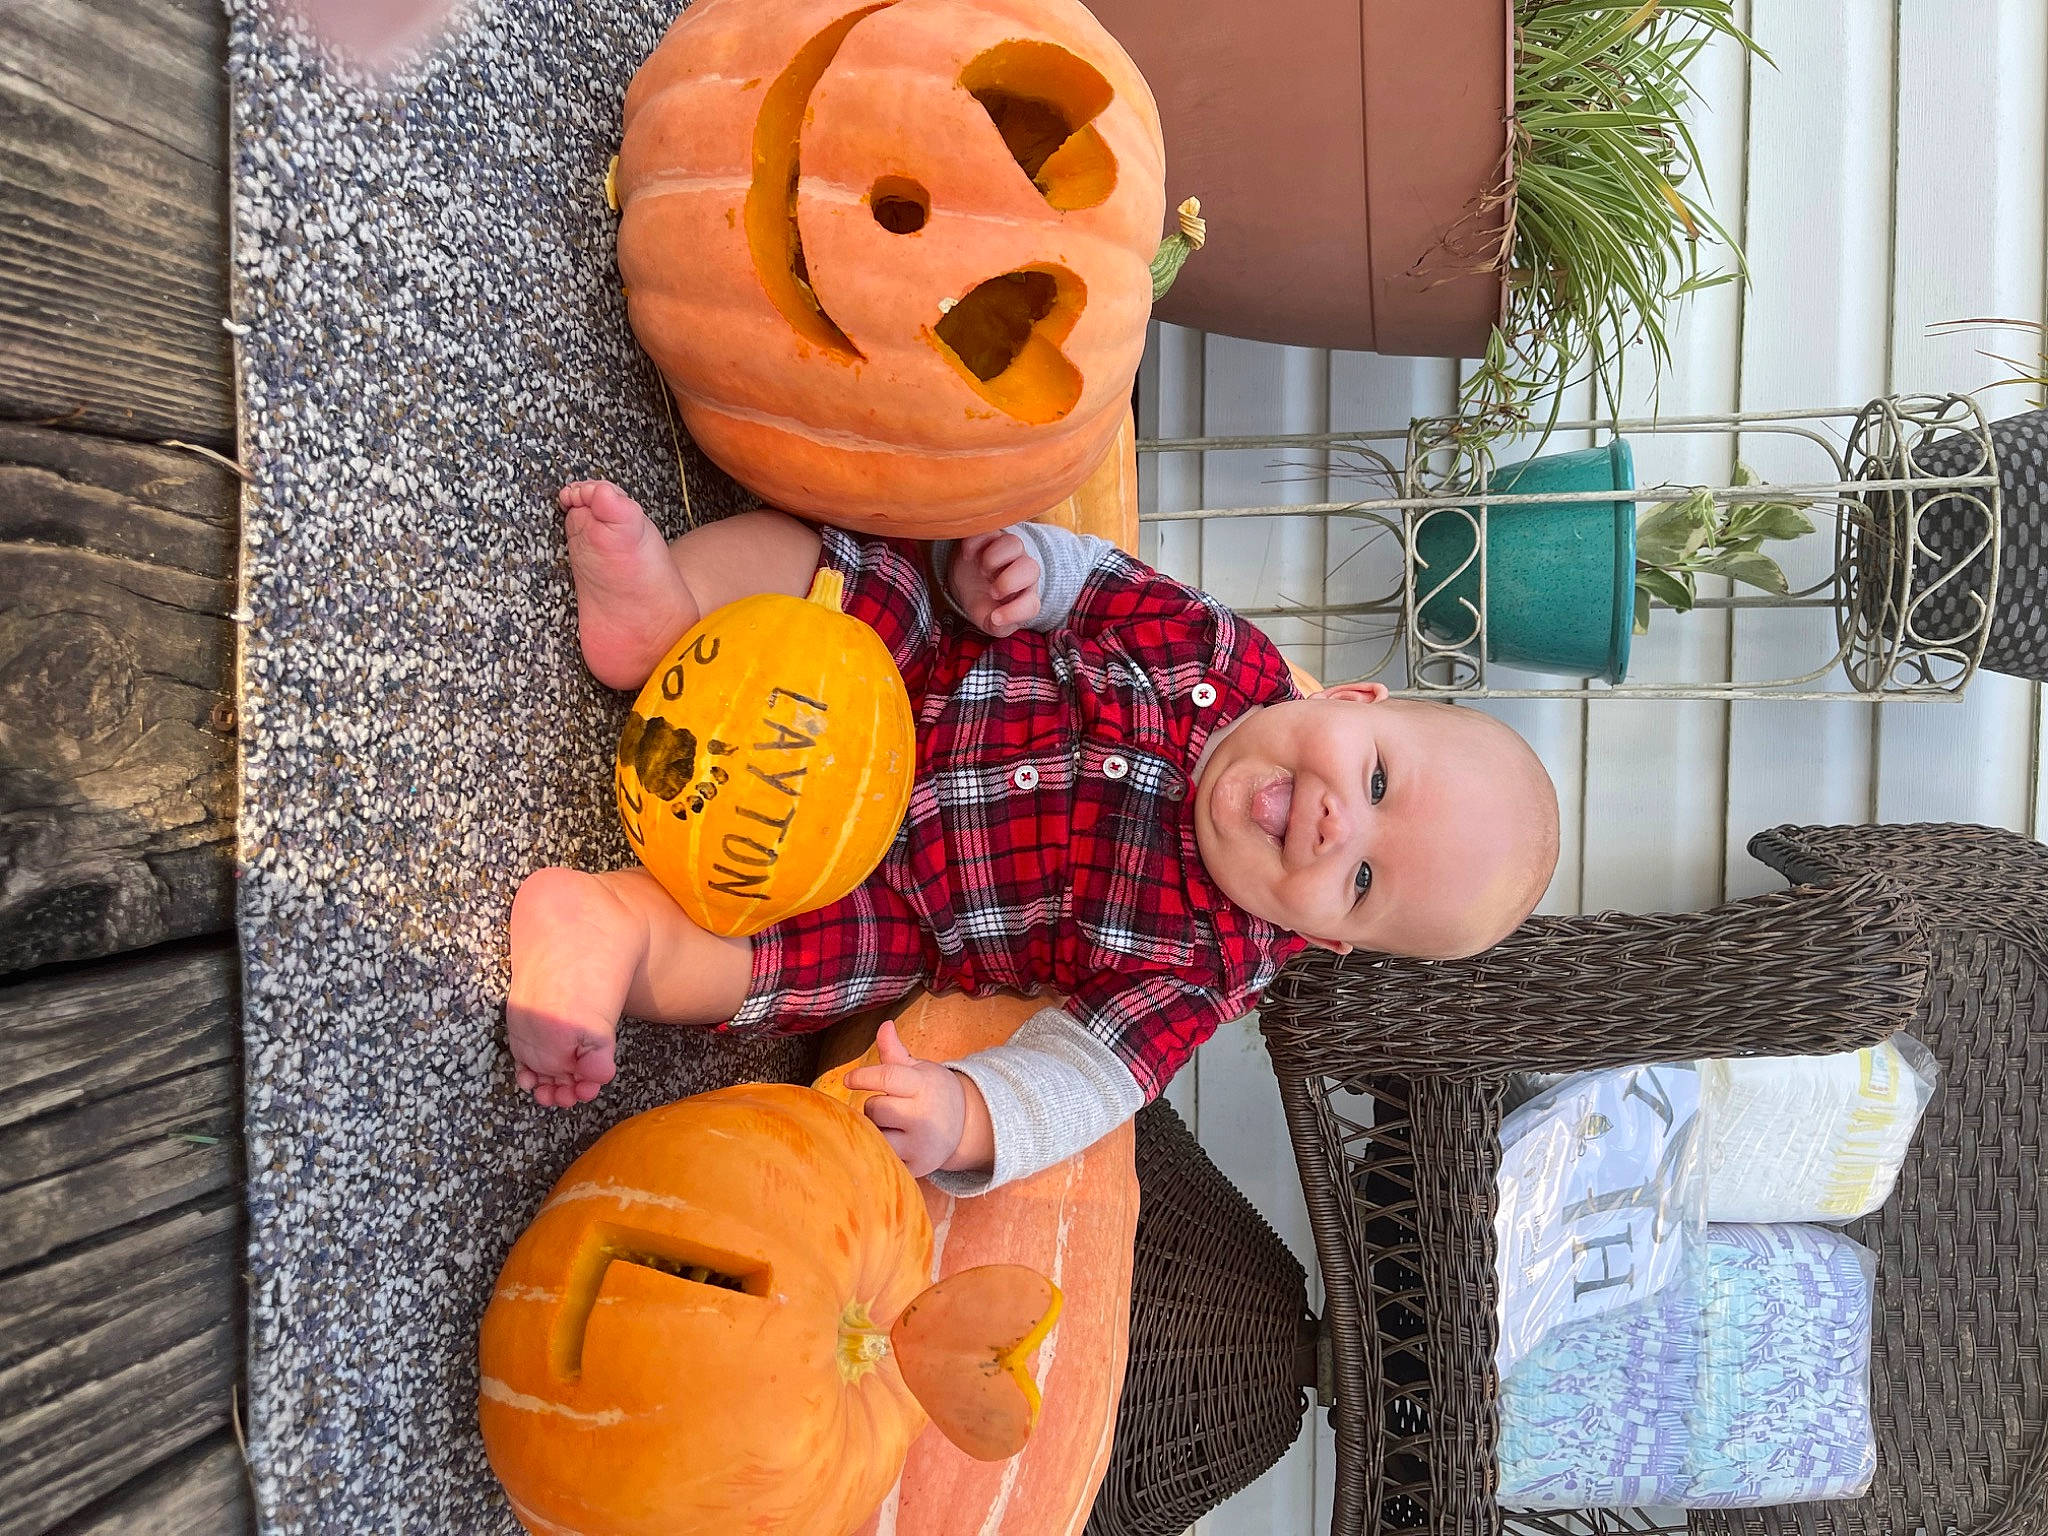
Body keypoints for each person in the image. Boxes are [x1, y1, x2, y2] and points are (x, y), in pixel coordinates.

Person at [506, 480, 1560, 1193]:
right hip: (908, 679)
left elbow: (1083, 1082)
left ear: (1326, 938)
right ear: (1354, 695)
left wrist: (964, 1118)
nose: (1337, 823)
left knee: (762, 969)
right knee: (832, 572)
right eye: (1373, 776)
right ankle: (668, 613)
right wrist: (1014, 575)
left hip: (893, 898)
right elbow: (1093, 587)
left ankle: (611, 933)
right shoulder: (1221, 651)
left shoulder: (1207, 970)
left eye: (1363, 880)